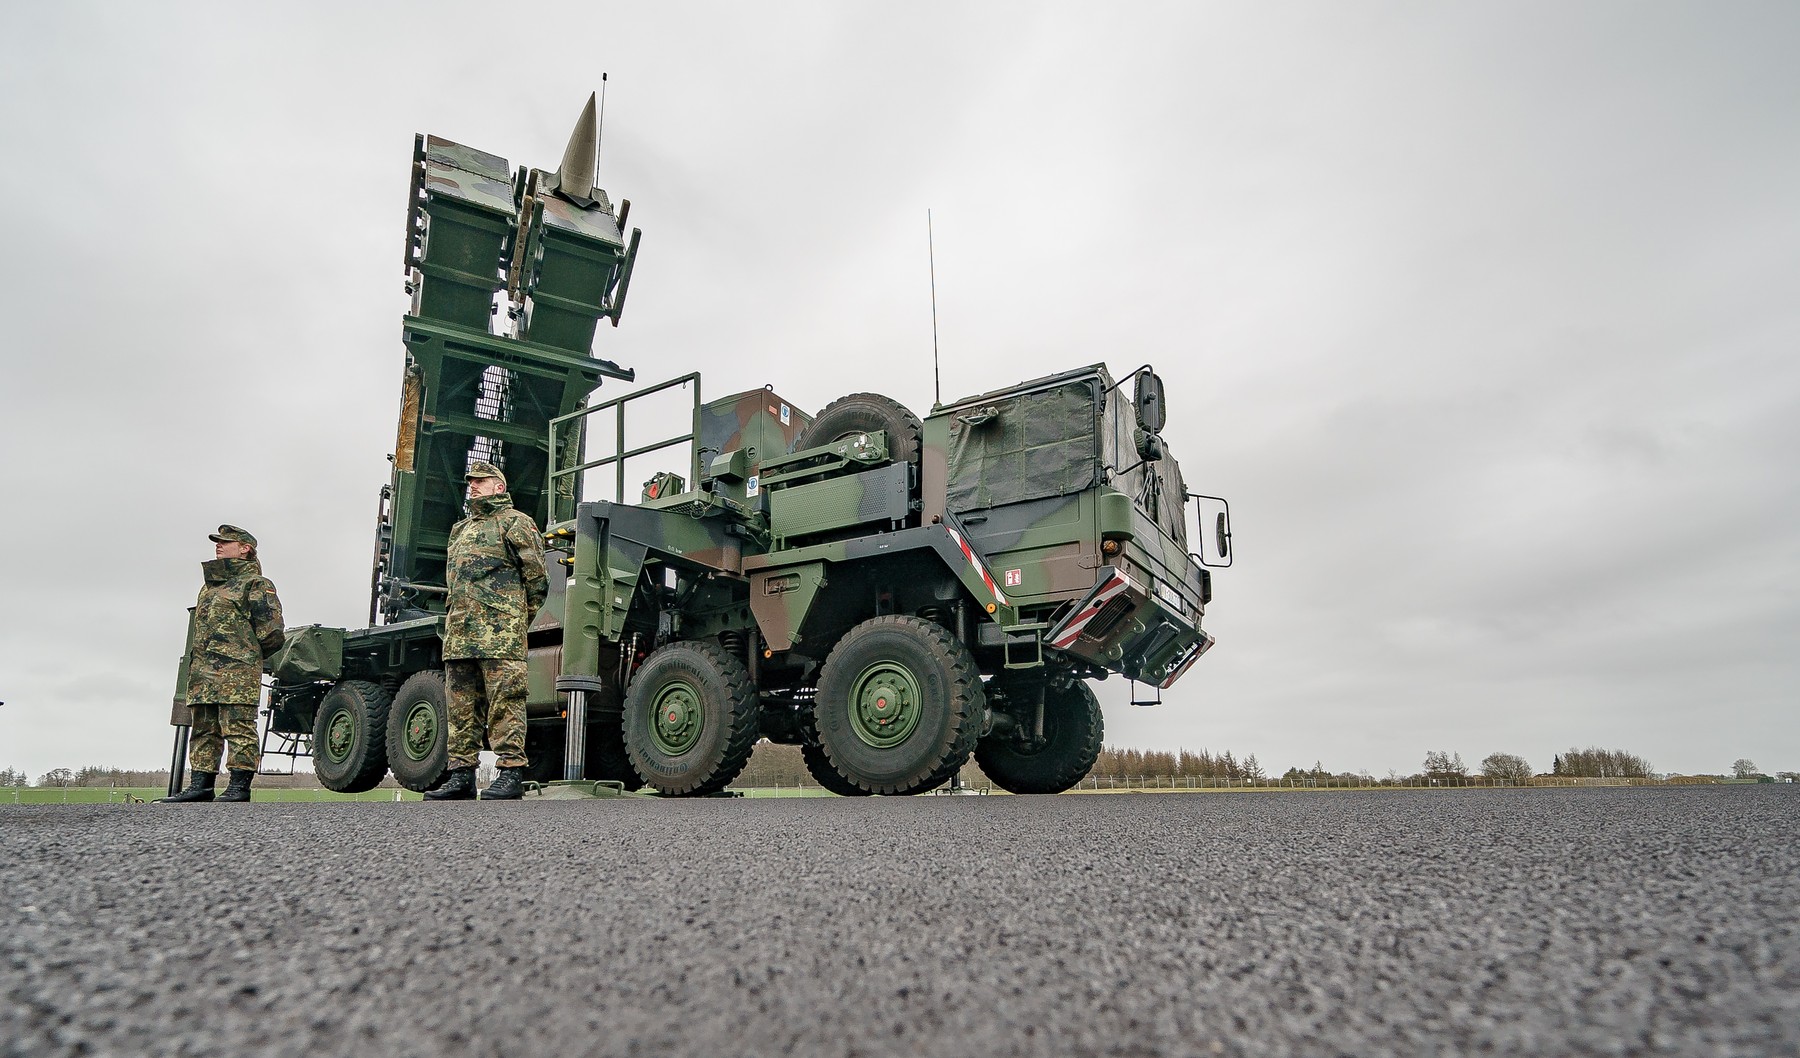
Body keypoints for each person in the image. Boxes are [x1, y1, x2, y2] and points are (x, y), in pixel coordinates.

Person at [425, 461, 547, 800]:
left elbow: (537, 580)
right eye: (471, 482)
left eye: (482, 481)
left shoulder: (516, 523)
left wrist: (514, 620)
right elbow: (453, 582)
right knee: (461, 709)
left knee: (505, 703)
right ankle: (461, 775)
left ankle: (510, 773)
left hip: (500, 635)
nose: (474, 486)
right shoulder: (460, 530)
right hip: (460, 635)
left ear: (499, 487)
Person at [161, 525, 285, 803]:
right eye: (218, 542)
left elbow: (273, 632)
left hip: (237, 671)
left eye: (226, 542)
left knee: (238, 726)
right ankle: (201, 786)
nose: (218, 545)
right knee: (204, 727)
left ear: (245, 549)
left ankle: (239, 787)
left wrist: (245, 654)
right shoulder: (207, 588)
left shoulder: (255, 584)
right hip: (204, 671)